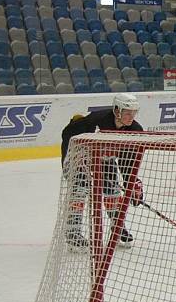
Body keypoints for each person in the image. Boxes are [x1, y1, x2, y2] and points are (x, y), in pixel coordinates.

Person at [61, 93, 145, 248]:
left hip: (105, 159)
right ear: (117, 110)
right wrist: (72, 158)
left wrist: (131, 183)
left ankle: (117, 229)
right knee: (80, 187)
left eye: (133, 112)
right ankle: (72, 231)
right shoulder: (95, 121)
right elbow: (68, 133)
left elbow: (128, 163)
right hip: (81, 155)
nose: (130, 116)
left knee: (112, 190)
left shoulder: (134, 130)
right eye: (127, 112)